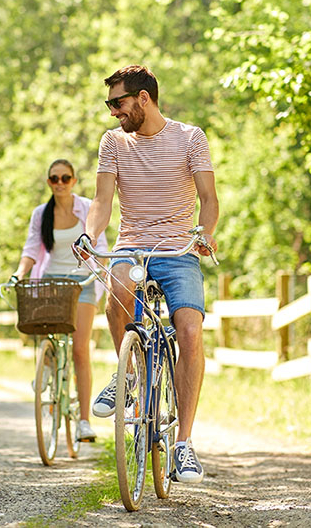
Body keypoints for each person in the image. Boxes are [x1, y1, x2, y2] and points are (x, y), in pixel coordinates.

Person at [75, 65, 219, 484]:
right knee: (116, 289)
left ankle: (184, 445)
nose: (113, 112)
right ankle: (130, 374)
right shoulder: (113, 142)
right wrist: (89, 234)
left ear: (143, 99)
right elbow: (102, 201)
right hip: (132, 245)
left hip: (179, 250)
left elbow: (209, 198)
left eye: (118, 103)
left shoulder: (191, 137)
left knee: (189, 331)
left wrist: (204, 235)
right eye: (110, 105)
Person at [12, 159, 109, 443]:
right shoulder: (42, 214)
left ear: (74, 181)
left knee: (80, 350)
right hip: (51, 280)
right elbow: (31, 247)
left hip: (82, 283)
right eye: (54, 179)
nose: (60, 183)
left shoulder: (87, 208)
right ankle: (47, 368)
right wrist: (20, 273)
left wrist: (101, 269)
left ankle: (84, 422)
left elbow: (101, 247)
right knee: (46, 333)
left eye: (65, 178)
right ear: (49, 183)